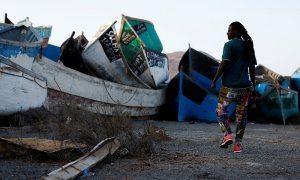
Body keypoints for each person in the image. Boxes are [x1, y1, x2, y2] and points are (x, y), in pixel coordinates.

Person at [210, 21, 257, 153]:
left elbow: (224, 63)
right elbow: (252, 68)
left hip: (229, 88)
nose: (227, 32)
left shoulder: (229, 45)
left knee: (220, 111)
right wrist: (253, 86)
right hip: (245, 89)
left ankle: (227, 135)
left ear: (235, 31)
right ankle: (237, 146)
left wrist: (214, 80)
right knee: (241, 116)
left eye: (229, 30)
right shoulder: (248, 46)